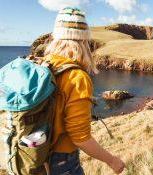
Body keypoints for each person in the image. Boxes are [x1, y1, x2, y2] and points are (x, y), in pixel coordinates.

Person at [44, 7, 125, 175]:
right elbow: (80, 137)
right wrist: (112, 161)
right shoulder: (76, 76)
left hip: (33, 157)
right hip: (61, 162)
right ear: (83, 42)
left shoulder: (42, 65)